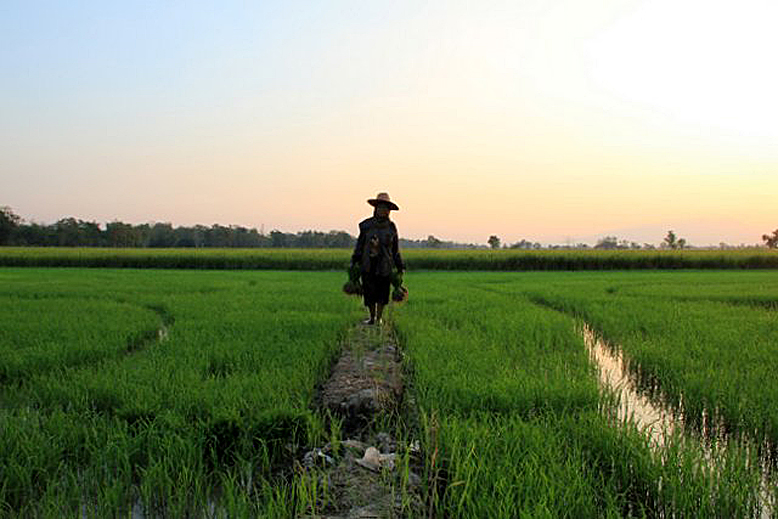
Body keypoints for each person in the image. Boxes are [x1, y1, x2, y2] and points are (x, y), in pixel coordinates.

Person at [351, 192, 405, 325]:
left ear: (389, 211)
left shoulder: (391, 228)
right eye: (380, 207)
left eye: (386, 208)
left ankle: (379, 318)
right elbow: (360, 245)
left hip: (385, 264)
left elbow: (395, 249)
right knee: (369, 292)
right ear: (375, 208)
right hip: (368, 263)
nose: (383, 210)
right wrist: (354, 261)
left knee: (382, 292)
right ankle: (372, 317)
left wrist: (400, 266)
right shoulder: (366, 226)